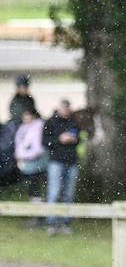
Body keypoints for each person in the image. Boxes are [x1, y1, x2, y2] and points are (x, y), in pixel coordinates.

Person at [43, 100, 81, 235]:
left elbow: (79, 139)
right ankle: (52, 222)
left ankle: (66, 222)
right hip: (56, 161)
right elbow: (45, 142)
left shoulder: (73, 122)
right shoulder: (51, 122)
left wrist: (74, 139)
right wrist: (59, 139)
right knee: (54, 191)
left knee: (69, 193)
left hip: (71, 161)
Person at [14, 108, 47, 228]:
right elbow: (19, 144)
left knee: (36, 189)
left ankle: (39, 216)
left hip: (36, 164)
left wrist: (23, 156)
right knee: (32, 190)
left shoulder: (38, 127)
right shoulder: (23, 128)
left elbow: (37, 148)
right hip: (27, 164)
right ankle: (35, 215)